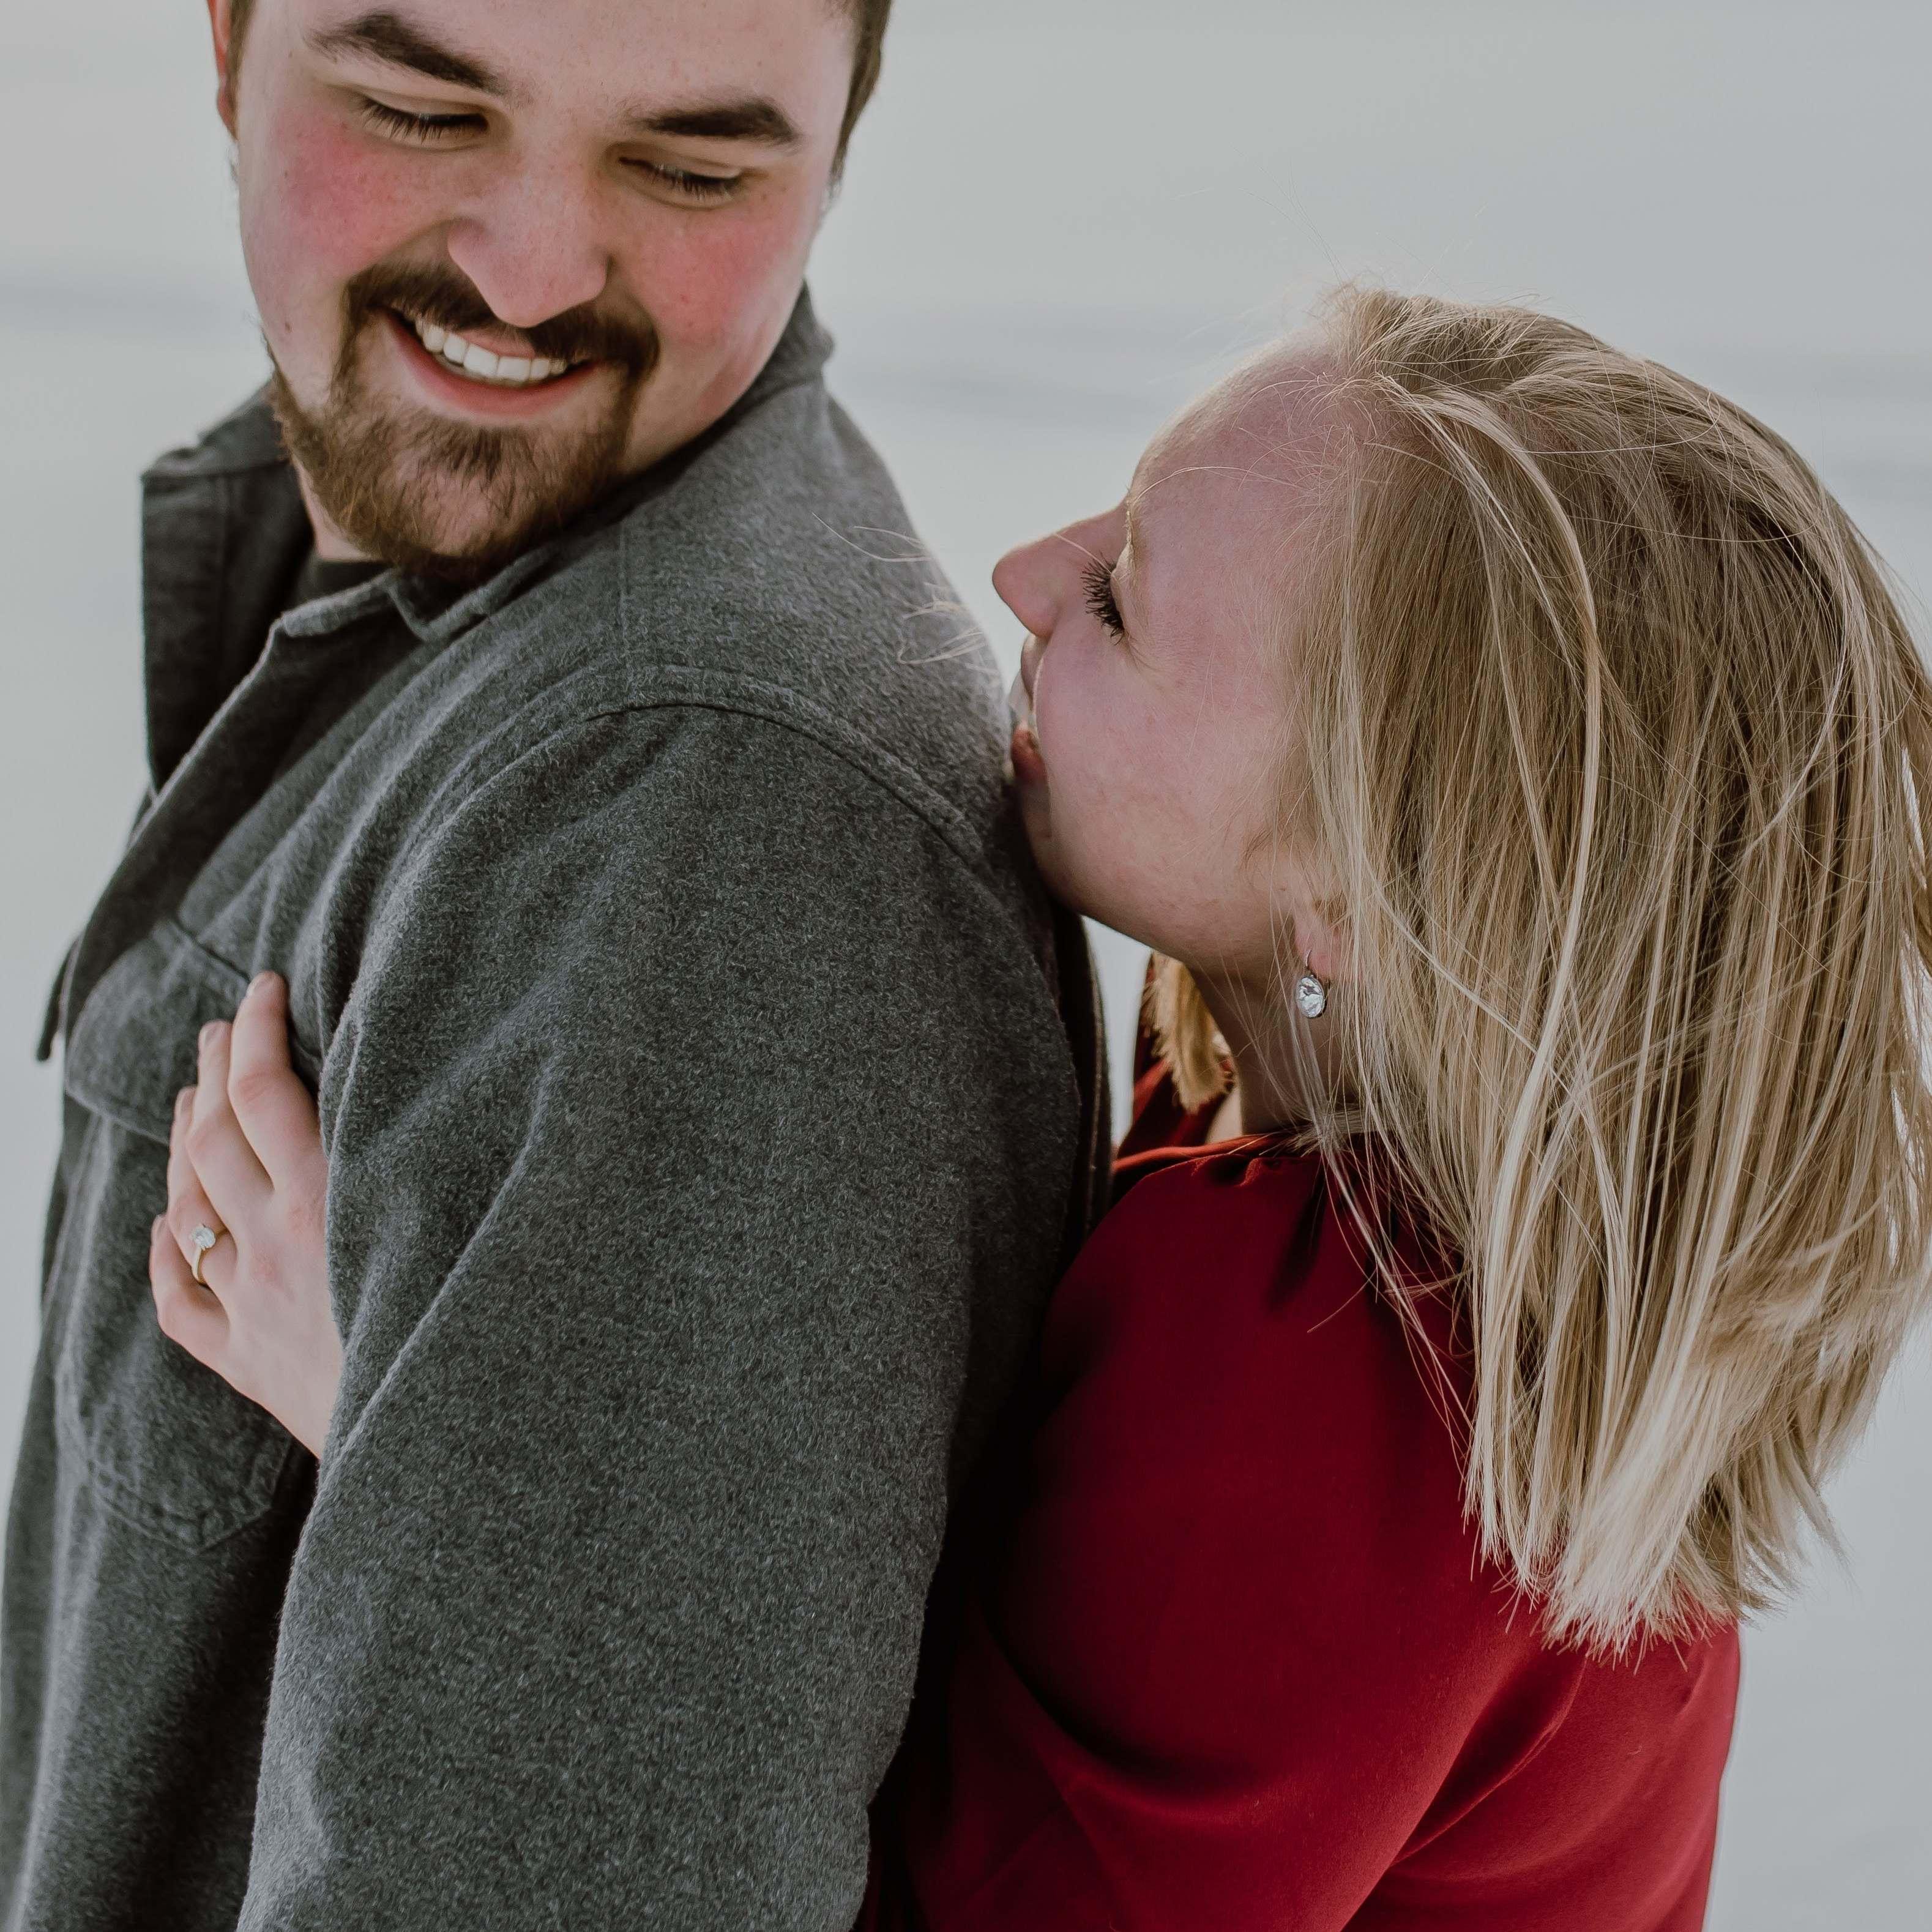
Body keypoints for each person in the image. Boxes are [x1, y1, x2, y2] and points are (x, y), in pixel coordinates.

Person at [157, 288, 1932, 1928]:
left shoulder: (1334, 1384)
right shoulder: (1455, 1262)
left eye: (1123, 603)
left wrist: (408, 1414)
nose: (1019, 573)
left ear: (1360, 886)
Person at [1, 2, 1110, 1928]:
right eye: (423, 107)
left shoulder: (705, 812)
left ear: (845, 142)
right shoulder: (458, 620)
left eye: (692, 166)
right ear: (224, 48)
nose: (528, 269)